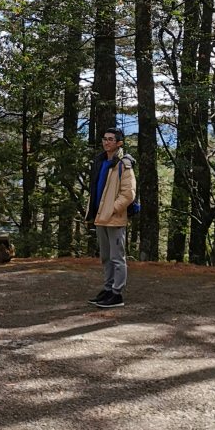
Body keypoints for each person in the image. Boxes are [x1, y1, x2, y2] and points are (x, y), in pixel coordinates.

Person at [86, 128, 136, 309]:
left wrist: (112, 209)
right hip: (101, 217)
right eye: (104, 139)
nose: (106, 142)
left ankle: (117, 293)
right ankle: (107, 289)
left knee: (117, 258)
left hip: (114, 217)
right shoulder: (101, 161)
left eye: (110, 139)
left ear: (119, 143)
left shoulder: (123, 164)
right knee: (106, 257)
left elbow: (128, 194)